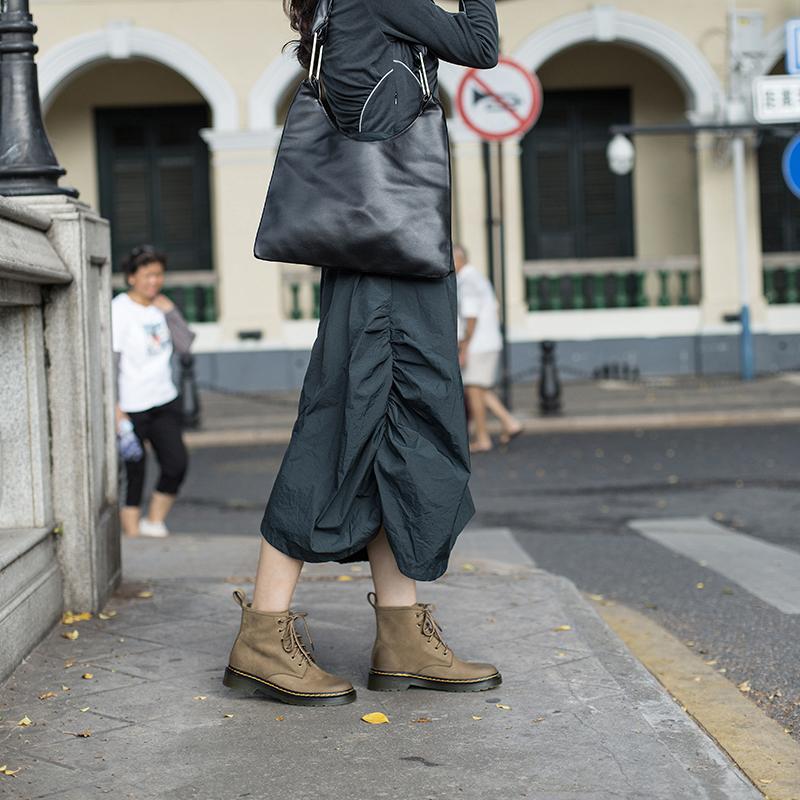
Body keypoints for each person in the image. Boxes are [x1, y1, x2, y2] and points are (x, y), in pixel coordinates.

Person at [223, 0, 502, 706]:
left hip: (404, 267)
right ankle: (263, 631)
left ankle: (401, 634)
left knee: (400, 440)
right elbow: (479, 44)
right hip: (383, 276)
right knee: (339, 428)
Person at [112, 245, 196, 538]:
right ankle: (133, 537)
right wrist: (114, 407)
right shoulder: (119, 310)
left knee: (176, 464)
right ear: (131, 277)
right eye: (147, 275)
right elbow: (111, 361)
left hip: (164, 400)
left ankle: (154, 521)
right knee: (133, 473)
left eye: (158, 275)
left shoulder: (161, 307)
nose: (154, 281)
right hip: (131, 404)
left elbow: (185, 344)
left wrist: (170, 311)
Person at [455, 244, 522, 453]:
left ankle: (483, 438)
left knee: (474, 389)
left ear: (458, 260)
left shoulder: (468, 282)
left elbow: (471, 318)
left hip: (478, 344)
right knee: (478, 388)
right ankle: (509, 422)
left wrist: (464, 348)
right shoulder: (474, 279)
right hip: (484, 342)